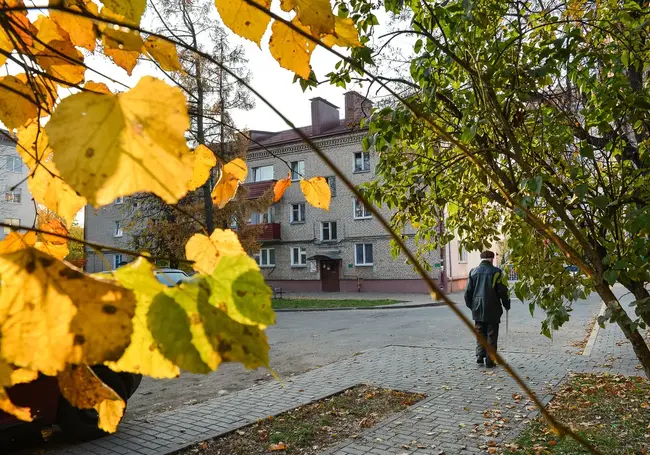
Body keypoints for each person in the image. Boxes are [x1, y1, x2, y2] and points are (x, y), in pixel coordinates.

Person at [464, 250, 510, 368]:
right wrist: (506, 304)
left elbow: (468, 292)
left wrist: (472, 306)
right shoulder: (497, 272)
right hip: (493, 307)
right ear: (492, 259)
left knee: (480, 332)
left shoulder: (473, 272)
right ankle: (490, 360)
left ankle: (480, 355)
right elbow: (502, 291)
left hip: (478, 308)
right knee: (492, 333)